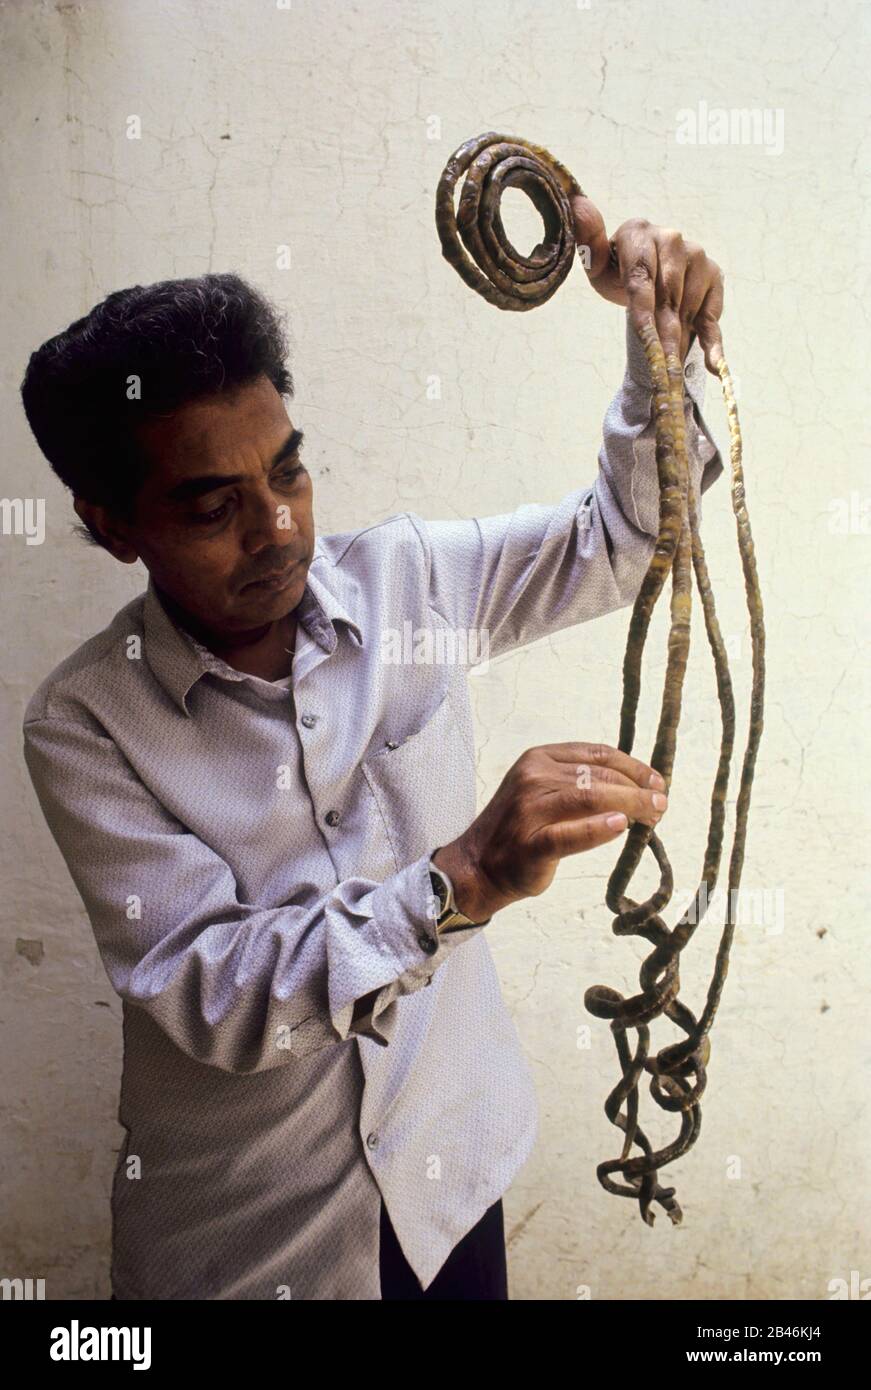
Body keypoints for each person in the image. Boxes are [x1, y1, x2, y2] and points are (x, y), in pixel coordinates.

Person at [19, 207, 725, 1300]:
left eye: (289, 474)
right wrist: (464, 877)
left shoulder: (410, 583)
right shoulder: (87, 721)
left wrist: (655, 355)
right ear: (112, 524)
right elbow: (216, 993)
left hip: (449, 1199)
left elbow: (623, 541)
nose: (280, 529)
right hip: (256, 1245)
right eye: (215, 506)